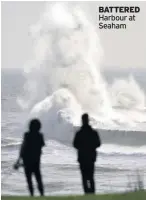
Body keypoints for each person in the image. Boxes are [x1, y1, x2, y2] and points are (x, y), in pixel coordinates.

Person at [14, 119, 45, 196]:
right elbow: (42, 145)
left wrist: (18, 161)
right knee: (38, 178)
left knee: (29, 179)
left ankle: (32, 195)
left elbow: (23, 148)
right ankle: (42, 195)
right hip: (36, 160)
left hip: (27, 159)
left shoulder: (27, 135)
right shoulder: (40, 136)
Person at [73, 113, 101, 194]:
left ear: (82, 121)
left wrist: (82, 148)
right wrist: (91, 147)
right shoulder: (93, 132)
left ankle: (87, 194)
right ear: (88, 120)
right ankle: (92, 193)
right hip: (91, 158)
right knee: (91, 177)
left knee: (84, 177)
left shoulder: (79, 133)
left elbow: (75, 144)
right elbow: (98, 144)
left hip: (82, 158)